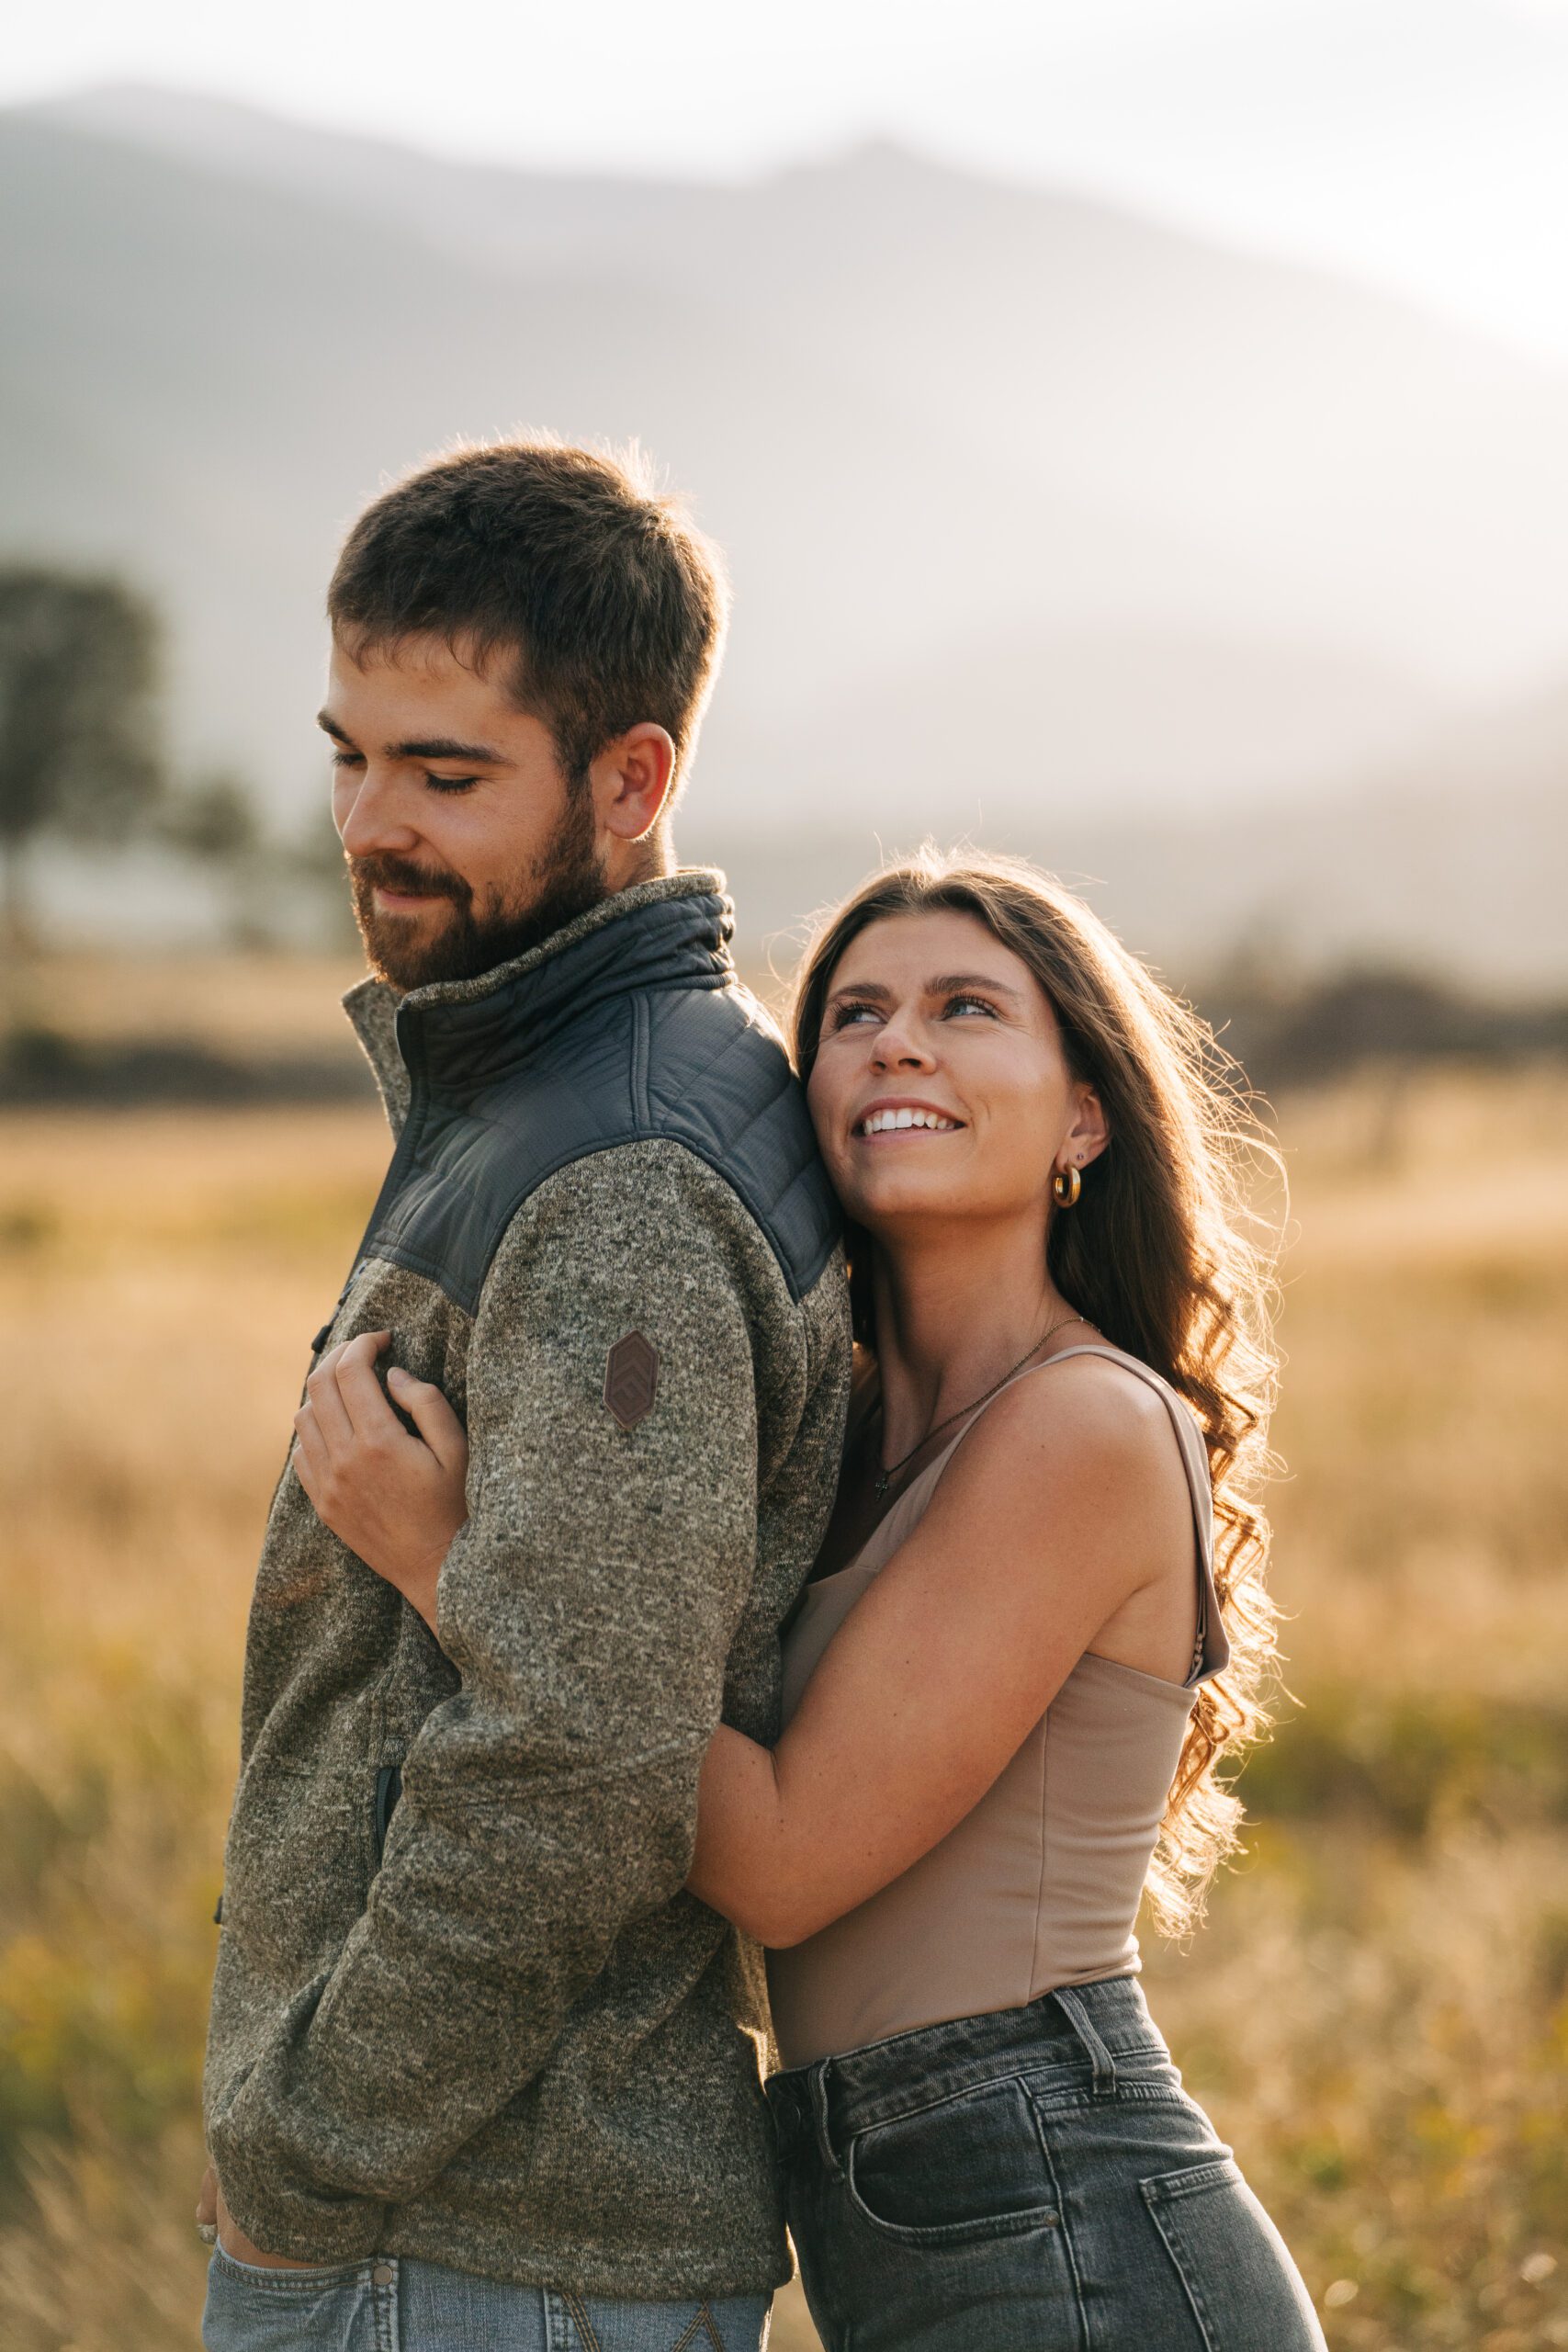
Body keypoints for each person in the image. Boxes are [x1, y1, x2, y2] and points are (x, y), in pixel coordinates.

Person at [319, 849, 1330, 2350]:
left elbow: (786, 1861)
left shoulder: (1088, 1425)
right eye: (853, 1013)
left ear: (1085, 1116)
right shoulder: (838, 1434)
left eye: (966, 1007)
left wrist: (450, 1557)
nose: (896, 1042)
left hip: (1060, 2196)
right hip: (897, 2190)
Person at [197, 436, 852, 2352]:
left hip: (475, 2240)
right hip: (478, 2236)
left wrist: (307, 2142)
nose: (370, 822)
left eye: (446, 773)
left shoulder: (619, 1174)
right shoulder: (550, 1084)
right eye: (351, 753)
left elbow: (572, 1763)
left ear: (632, 779)